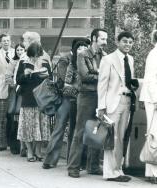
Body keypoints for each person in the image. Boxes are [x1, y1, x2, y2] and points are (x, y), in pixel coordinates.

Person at [42, 39, 90, 169]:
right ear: (75, 49)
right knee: (59, 128)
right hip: (66, 99)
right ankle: (50, 160)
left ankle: (73, 161)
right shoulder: (66, 60)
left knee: (75, 130)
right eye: (79, 47)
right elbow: (64, 79)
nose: (82, 50)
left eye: (85, 47)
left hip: (79, 99)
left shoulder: (88, 59)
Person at [68, 28, 108, 178]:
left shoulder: (104, 56)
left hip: (100, 96)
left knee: (97, 131)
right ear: (94, 39)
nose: (105, 42)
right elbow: (85, 76)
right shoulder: (82, 55)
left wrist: (96, 73)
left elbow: (97, 75)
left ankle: (93, 166)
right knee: (80, 131)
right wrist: (102, 75)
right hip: (86, 96)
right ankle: (73, 167)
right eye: (103, 39)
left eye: (106, 39)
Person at [97, 31, 137, 182]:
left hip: (127, 101)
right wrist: (101, 107)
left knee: (121, 137)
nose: (128, 44)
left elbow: (127, 79)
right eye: (125, 41)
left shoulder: (131, 59)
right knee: (111, 137)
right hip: (113, 102)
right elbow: (102, 84)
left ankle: (118, 170)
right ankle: (110, 172)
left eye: (130, 42)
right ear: (118, 42)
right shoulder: (108, 59)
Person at [16, 42, 52, 162]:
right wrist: (25, 75)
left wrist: (45, 76)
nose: (35, 58)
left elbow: (50, 81)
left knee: (40, 127)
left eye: (37, 55)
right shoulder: (24, 63)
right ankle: (30, 151)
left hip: (41, 99)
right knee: (28, 127)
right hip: (28, 98)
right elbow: (18, 80)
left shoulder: (46, 64)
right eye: (32, 56)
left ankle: (38, 150)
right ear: (29, 55)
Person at [140, 30, 157, 184]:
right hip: (154, 99)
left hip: (153, 98)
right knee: (153, 134)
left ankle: (152, 172)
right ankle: (152, 173)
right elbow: (151, 79)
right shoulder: (154, 54)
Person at [7, 43, 26, 154]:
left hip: (23, 90)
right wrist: (13, 85)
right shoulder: (13, 62)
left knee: (20, 115)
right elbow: (8, 76)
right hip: (15, 90)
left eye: (21, 49)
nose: (19, 52)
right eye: (18, 50)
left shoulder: (26, 61)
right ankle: (13, 144)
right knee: (13, 114)